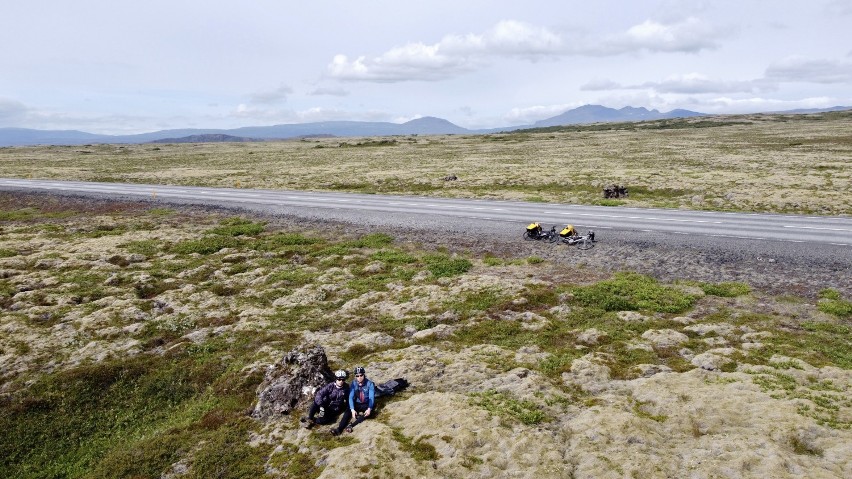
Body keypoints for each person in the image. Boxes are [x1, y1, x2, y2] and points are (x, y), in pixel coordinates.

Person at [301, 369, 352, 436]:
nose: (341, 381)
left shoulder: (346, 388)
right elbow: (319, 394)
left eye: (343, 379)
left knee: (323, 421)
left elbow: (349, 399)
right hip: (325, 405)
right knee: (315, 403)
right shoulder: (330, 386)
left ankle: (314, 420)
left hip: (334, 410)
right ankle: (310, 419)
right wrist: (321, 404)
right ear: (336, 379)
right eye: (339, 379)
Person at [347, 366, 376, 432]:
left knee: (369, 414)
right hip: (357, 403)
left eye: (361, 375)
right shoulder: (354, 383)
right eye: (357, 376)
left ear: (364, 375)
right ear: (355, 376)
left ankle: (352, 425)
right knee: (348, 411)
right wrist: (352, 409)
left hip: (366, 403)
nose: (359, 377)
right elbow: (350, 397)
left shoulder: (370, 384)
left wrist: (369, 408)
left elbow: (371, 397)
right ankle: (340, 428)